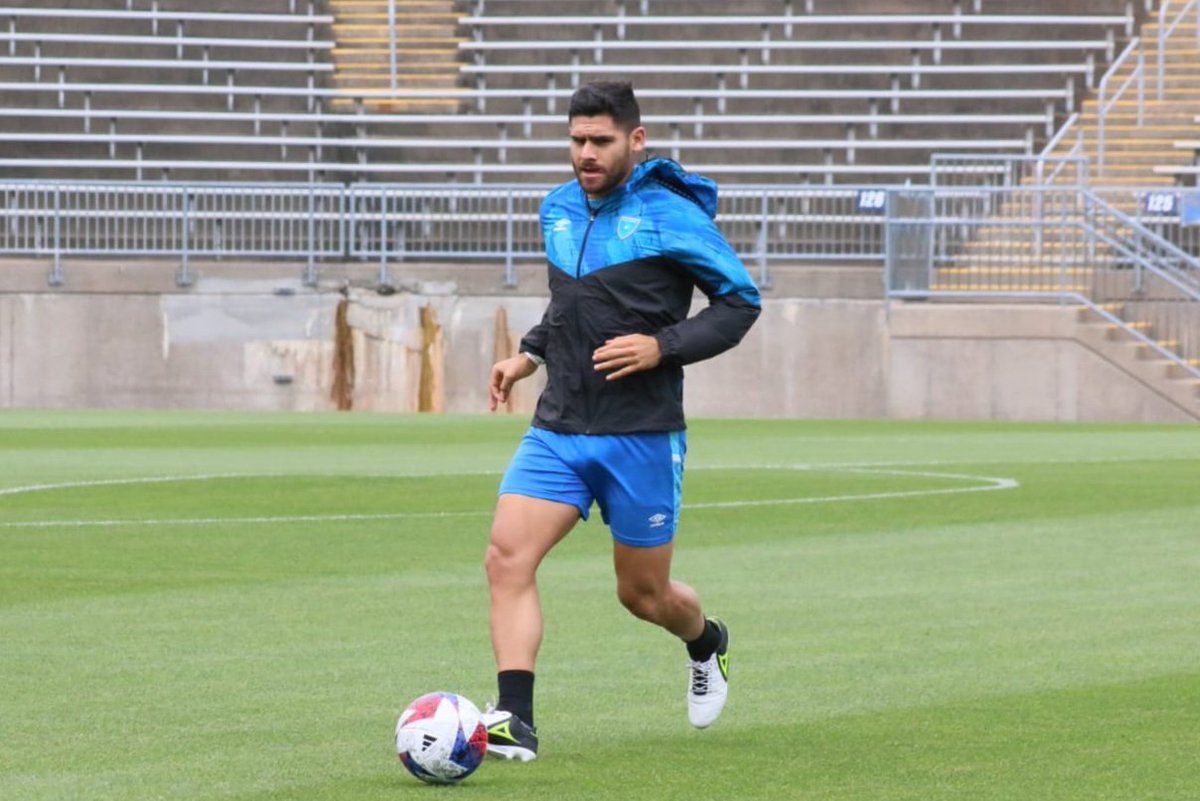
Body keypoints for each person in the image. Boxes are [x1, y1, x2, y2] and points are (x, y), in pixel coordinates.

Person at [482, 81, 762, 761]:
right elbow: (570, 303)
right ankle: (513, 719)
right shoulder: (556, 207)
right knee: (505, 557)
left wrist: (662, 345)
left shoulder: (670, 215)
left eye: (600, 140)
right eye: (577, 140)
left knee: (642, 594)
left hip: (640, 434)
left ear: (635, 141)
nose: (585, 153)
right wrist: (529, 353)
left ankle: (706, 641)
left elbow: (740, 302)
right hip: (558, 428)